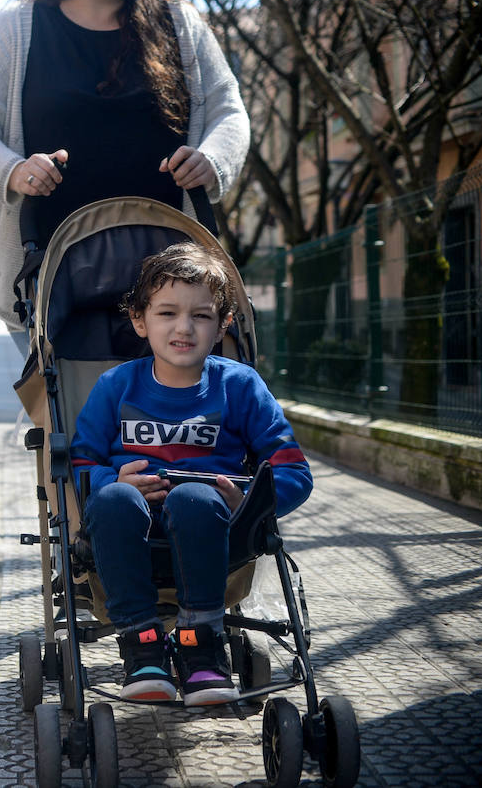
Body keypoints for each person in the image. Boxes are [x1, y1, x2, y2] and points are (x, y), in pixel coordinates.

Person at [0, 0, 249, 353]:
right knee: (68, 419)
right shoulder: (18, 26)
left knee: (173, 424)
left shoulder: (180, 24)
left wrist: (213, 159)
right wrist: (14, 171)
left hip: (172, 286)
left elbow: (229, 109)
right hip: (49, 279)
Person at [68, 242, 312, 706]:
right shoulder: (115, 386)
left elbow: (293, 471)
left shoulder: (239, 386)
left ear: (222, 326)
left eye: (201, 316)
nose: (184, 328)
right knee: (115, 500)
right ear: (140, 320)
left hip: (217, 530)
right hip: (125, 531)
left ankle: (201, 642)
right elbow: (80, 465)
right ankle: (142, 645)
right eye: (167, 313)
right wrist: (111, 482)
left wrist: (252, 502)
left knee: (195, 498)